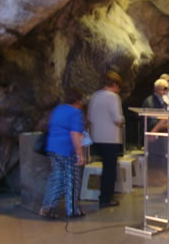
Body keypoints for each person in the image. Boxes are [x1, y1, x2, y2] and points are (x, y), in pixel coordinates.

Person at [39, 88, 85, 219]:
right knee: (71, 180)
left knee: (57, 178)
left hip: (52, 148)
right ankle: (72, 210)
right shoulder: (75, 112)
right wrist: (80, 154)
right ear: (78, 101)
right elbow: (75, 134)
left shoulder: (57, 109)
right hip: (66, 150)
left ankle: (47, 207)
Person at [88, 70, 124, 209]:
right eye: (118, 86)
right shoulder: (113, 97)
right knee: (110, 170)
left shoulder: (95, 96)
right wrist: (123, 120)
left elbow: (90, 118)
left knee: (105, 167)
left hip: (97, 137)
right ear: (114, 84)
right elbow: (117, 118)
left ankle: (103, 196)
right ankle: (106, 199)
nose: (119, 90)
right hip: (110, 138)